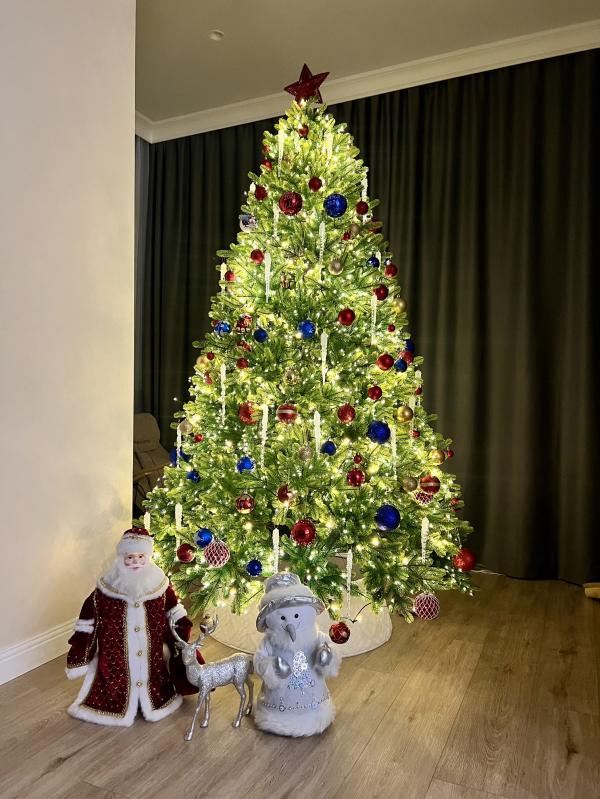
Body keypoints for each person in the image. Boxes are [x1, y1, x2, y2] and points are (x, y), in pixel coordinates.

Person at [66, 527, 201, 726]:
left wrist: (180, 641)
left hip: (152, 653)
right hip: (115, 656)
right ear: (122, 557)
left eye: (140, 557)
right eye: (130, 557)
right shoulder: (107, 587)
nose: (136, 562)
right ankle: (122, 701)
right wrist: (80, 656)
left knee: (151, 674)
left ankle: (146, 699)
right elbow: (88, 620)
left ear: (147, 556)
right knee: (119, 679)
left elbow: (176, 614)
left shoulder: (160, 585)